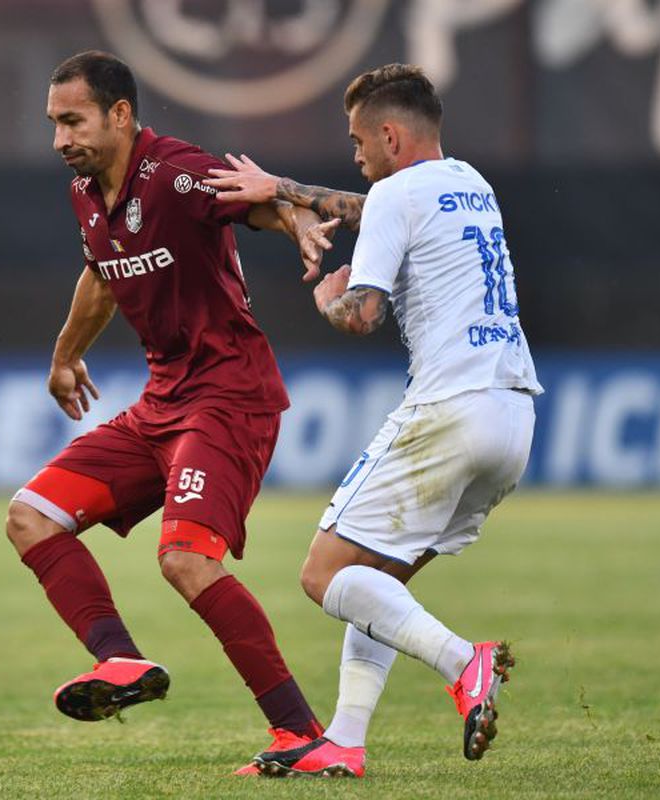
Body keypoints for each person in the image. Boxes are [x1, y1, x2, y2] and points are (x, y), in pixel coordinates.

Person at [204, 63, 543, 777]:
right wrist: (285, 189)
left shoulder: (396, 194)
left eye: (360, 142)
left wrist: (329, 297)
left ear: (390, 134)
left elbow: (362, 314)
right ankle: (346, 742)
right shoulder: (470, 184)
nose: (355, 156)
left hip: (448, 409)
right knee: (376, 583)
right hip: (513, 417)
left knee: (325, 574)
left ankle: (464, 663)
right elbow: (378, 207)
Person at [3, 51, 336, 773]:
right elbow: (101, 272)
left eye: (72, 121)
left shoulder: (175, 172)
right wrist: (65, 355)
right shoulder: (88, 193)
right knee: (30, 515)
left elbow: (252, 201)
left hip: (229, 398)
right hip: (163, 403)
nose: (59, 139)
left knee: (185, 559)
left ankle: (300, 733)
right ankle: (120, 664)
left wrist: (295, 223)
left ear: (120, 115)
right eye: (54, 124)